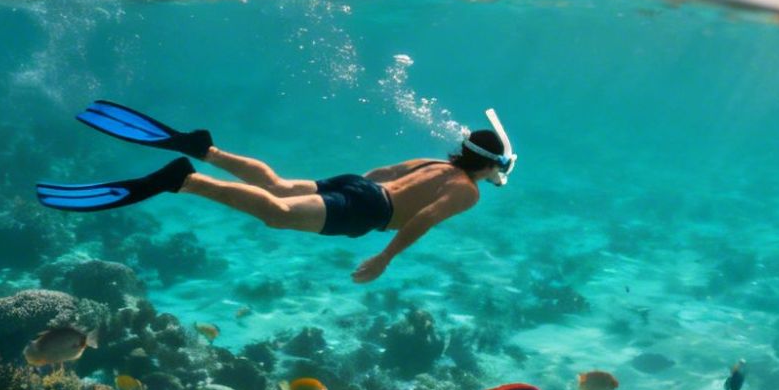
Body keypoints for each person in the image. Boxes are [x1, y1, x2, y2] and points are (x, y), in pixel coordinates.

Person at [36, 102, 514, 284]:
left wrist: (351, 192)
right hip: (369, 207)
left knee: (280, 184)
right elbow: (423, 220)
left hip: (360, 185)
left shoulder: (433, 161)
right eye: (501, 169)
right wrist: (385, 257)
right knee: (279, 213)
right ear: (490, 164)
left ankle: (204, 148)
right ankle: (184, 179)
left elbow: (383, 170)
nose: (499, 176)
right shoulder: (465, 190)